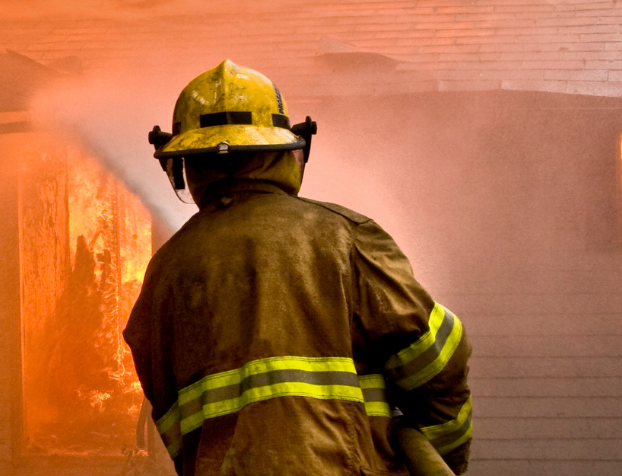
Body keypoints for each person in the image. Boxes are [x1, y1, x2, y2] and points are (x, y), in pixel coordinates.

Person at [124, 61, 472, 476]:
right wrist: (435, 455)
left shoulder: (164, 274)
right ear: (289, 151)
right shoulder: (344, 236)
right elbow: (437, 360)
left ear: (183, 166)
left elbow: (175, 424)